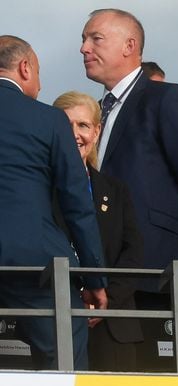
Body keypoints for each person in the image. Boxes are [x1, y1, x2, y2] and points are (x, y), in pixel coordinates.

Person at [80, 9, 178, 305]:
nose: (83, 48)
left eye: (95, 39)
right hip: (99, 274)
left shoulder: (166, 98)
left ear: (129, 46)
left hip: (155, 271)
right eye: (83, 39)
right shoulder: (94, 112)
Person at [0, 35, 106, 370]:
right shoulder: (48, 120)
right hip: (33, 263)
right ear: (25, 67)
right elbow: (77, 204)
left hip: (27, 260)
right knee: (64, 354)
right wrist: (94, 279)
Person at [52, 91, 144, 371]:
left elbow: (133, 251)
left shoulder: (116, 190)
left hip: (114, 323)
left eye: (83, 125)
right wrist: (78, 295)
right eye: (66, 126)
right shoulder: (39, 189)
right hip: (60, 319)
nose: (75, 134)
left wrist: (107, 299)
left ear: (96, 130)